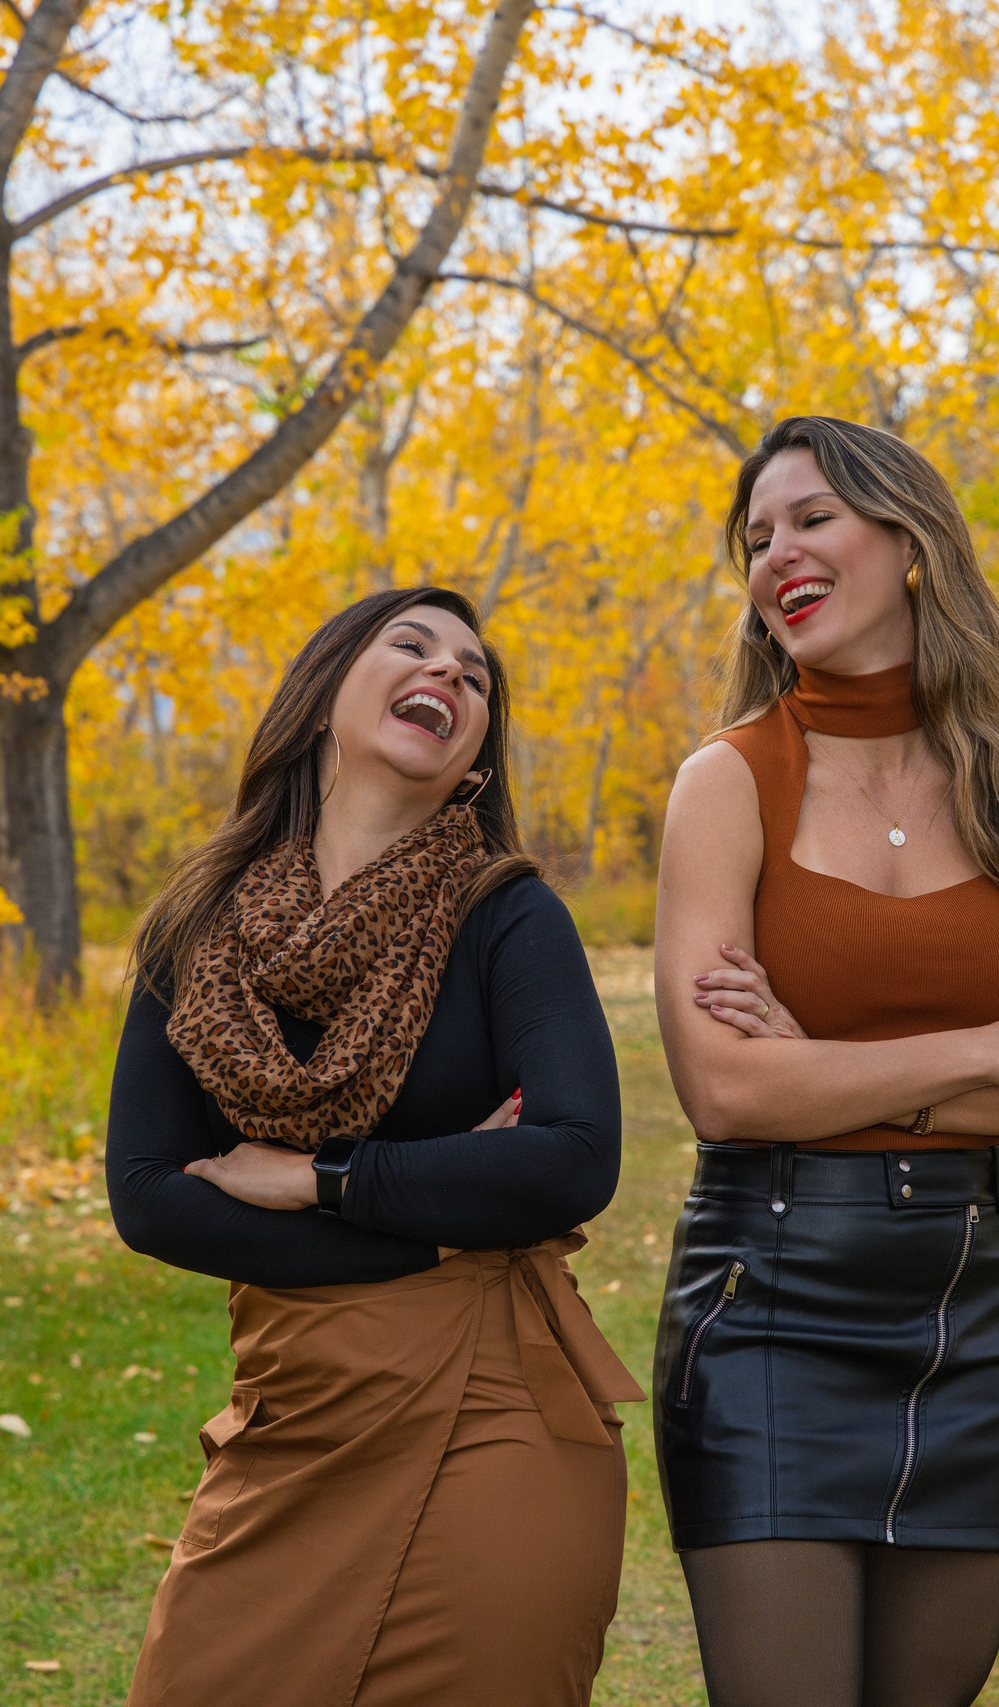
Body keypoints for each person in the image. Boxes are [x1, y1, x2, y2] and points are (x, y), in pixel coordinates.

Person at [651, 417, 999, 1707]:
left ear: (910, 540)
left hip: (967, 1315)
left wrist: (827, 1068)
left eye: (809, 518)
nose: (775, 555)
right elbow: (727, 1090)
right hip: (764, 1304)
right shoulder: (726, 782)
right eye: (755, 539)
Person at [105, 586, 639, 1707]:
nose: (448, 673)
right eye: (413, 647)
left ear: (475, 763)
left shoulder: (508, 914)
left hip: (496, 1420)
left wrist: (314, 1180)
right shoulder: (196, 927)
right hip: (295, 1409)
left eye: (474, 676)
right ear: (317, 703)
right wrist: (440, 1229)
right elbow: (152, 1199)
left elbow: (572, 1157)